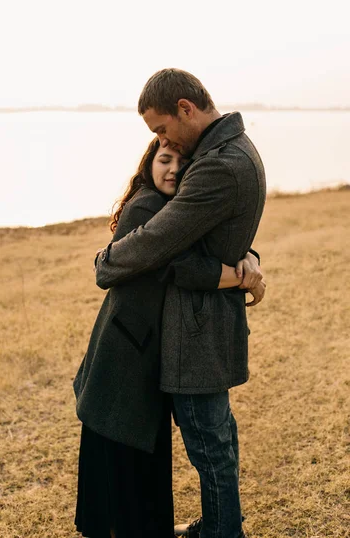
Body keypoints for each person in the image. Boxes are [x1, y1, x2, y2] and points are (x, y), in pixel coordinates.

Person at [95, 69, 267, 538]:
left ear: (186, 109)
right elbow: (217, 237)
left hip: (197, 334)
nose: (161, 141)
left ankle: (222, 532)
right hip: (207, 326)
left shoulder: (217, 164)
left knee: (210, 445)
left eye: (162, 129)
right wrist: (244, 261)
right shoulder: (229, 150)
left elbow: (161, 239)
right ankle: (219, 523)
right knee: (218, 441)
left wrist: (107, 261)